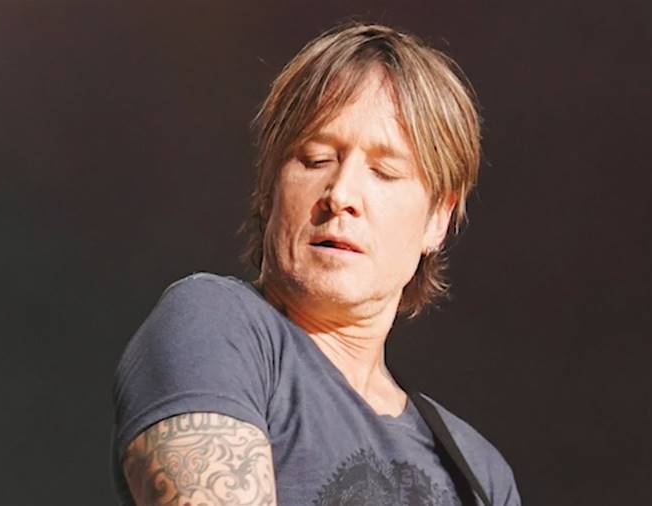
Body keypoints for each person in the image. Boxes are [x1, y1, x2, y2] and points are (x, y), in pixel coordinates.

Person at [111, 22, 521, 505]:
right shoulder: (214, 325)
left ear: (438, 219)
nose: (341, 194)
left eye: (385, 172)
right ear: (269, 188)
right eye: (315, 159)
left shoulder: (479, 473)